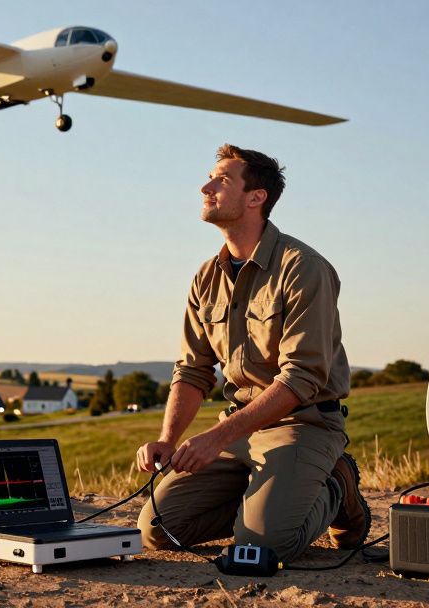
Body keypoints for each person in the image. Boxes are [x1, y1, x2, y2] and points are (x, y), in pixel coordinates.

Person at [134, 144, 369, 563]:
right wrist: (167, 441)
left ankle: (337, 483)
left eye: (221, 180)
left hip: (303, 424)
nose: (205, 187)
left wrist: (216, 437)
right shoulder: (207, 277)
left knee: (262, 547)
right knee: (158, 529)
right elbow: (192, 371)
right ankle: (264, 502)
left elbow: (302, 378)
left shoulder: (303, 267)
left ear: (256, 197)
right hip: (240, 429)